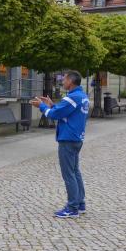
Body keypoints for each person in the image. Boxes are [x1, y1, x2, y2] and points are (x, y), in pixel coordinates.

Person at [31, 71, 90, 218]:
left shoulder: (72, 97)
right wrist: (52, 105)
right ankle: (80, 203)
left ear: (70, 81)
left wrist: (42, 106)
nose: (62, 82)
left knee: (68, 174)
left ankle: (72, 208)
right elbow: (65, 112)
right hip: (77, 138)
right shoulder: (82, 96)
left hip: (68, 138)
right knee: (75, 171)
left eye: (64, 79)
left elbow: (54, 115)